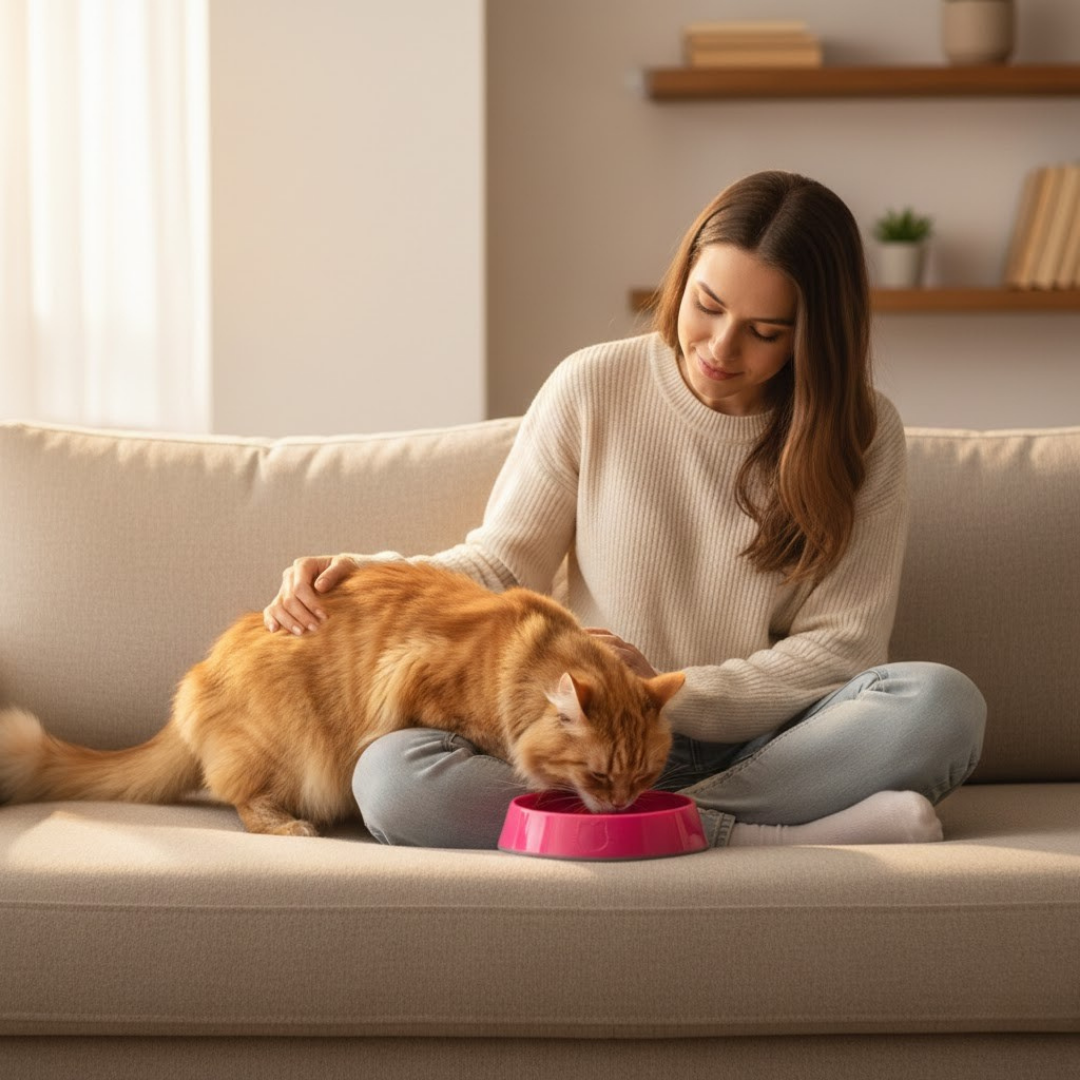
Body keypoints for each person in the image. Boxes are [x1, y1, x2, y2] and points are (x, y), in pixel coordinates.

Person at [263, 170, 986, 849]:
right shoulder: (592, 384)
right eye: (707, 306)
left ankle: (646, 823)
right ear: (683, 278)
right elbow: (501, 565)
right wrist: (365, 575)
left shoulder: (864, 432)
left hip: (773, 742)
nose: (720, 347)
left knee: (941, 706)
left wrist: (675, 693)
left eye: (765, 332)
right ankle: (764, 835)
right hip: (587, 744)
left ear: (815, 336)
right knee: (393, 779)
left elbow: (842, 649)